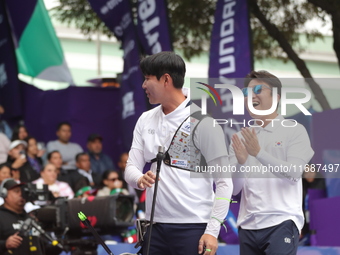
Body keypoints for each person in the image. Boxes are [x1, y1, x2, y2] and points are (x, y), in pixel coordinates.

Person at [125, 51, 232, 255]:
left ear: (166, 79)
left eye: (147, 79)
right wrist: (139, 179)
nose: (143, 85)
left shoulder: (204, 122)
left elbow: (225, 182)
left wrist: (212, 231)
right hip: (153, 227)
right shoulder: (145, 119)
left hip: (194, 227)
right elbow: (131, 167)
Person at [230, 70, 314, 255]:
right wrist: (241, 163)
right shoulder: (239, 137)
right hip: (248, 225)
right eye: (246, 93)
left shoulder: (294, 131)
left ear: (276, 97)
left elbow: (293, 174)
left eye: (258, 89)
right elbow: (234, 189)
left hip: (281, 222)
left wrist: (258, 153)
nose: (250, 96)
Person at [0, 178, 44, 254]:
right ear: (4, 194)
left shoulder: (31, 217)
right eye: (16, 191)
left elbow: (45, 247)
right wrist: (4, 244)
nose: (21, 194)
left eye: (23, 191)